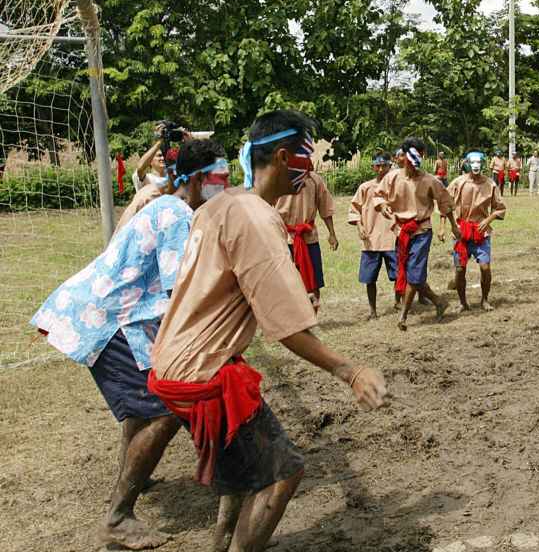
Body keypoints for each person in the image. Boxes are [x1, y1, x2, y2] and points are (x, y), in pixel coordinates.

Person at [148, 110, 391, 552]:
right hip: (203, 375)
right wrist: (351, 372)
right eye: (306, 157)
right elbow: (287, 328)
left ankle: (222, 543)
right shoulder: (257, 218)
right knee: (283, 472)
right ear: (282, 157)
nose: (310, 167)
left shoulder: (221, 204)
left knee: (243, 472)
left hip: (170, 365)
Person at [30, 139, 228, 550]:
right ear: (192, 181)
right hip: (109, 320)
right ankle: (118, 518)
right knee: (164, 410)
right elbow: (180, 293)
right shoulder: (176, 216)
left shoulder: (167, 205)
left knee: (141, 412)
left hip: (111, 315)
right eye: (216, 179)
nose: (222, 187)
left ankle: (131, 481)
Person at [373, 136, 461, 331]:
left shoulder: (430, 180)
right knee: (410, 272)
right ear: (402, 157)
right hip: (400, 231)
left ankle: (403, 315)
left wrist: (453, 226)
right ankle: (439, 302)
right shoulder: (392, 178)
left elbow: (445, 203)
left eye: (417, 163)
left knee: (413, 274)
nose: (413, 167)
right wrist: (384, 206)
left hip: (421, 231)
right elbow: (379, 197)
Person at [439, 149, 506, 312]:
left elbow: (499, 209)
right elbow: (445, 206)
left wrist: (488, 220)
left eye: (479, 162)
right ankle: (463, 302)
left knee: (485, 267)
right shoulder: (458, 183)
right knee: (460, 269)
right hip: (462, 230)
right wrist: (444, 227)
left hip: (481, 231)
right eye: (472, 163)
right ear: (467, 163)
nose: (476, 166)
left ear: (483, 163)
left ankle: (484, 299)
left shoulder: (490, 184)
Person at [275, 166, 339, 312]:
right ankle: (291, 318)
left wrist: (332, 234)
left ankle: (311, 316)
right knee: (284, 281)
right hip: (283, 238)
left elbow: (325, 206)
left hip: (308, 238)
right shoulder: (278, 178)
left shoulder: (314, 179)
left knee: (313, 280)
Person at [349, 152, 401, 320]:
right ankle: (373, 310)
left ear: (389, 166)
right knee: (369, 277)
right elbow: (354, 210)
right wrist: (359, 226)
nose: (381, 169)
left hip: (392, 236)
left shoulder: (396, 187)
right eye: (377, 166)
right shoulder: (365, 188)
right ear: (372, 167)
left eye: (384, 166)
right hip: (371, 238)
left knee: (398, 274)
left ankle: (398, 302)